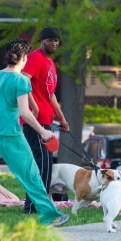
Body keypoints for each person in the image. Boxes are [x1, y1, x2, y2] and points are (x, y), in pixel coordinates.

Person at [0, 39, 69, 228]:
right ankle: (49, 216)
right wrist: (43, 131)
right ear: (24, 58)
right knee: (30, 174)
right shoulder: (21, 80)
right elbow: (24, 112)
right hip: (8, 132)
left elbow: (1, 103)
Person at [21, 26, 70, 215]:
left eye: (56, 40)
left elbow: (51, 95)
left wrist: (62, 118)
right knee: (40, 164)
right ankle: (33, 206)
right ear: (42, 41)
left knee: (45, 165)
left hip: (46, 122)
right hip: (34, 122)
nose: (54, 43)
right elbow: (23, 81)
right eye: (50, 40)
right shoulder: (35, 58)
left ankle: (35, 205)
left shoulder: (51, 63)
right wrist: (34, 107)